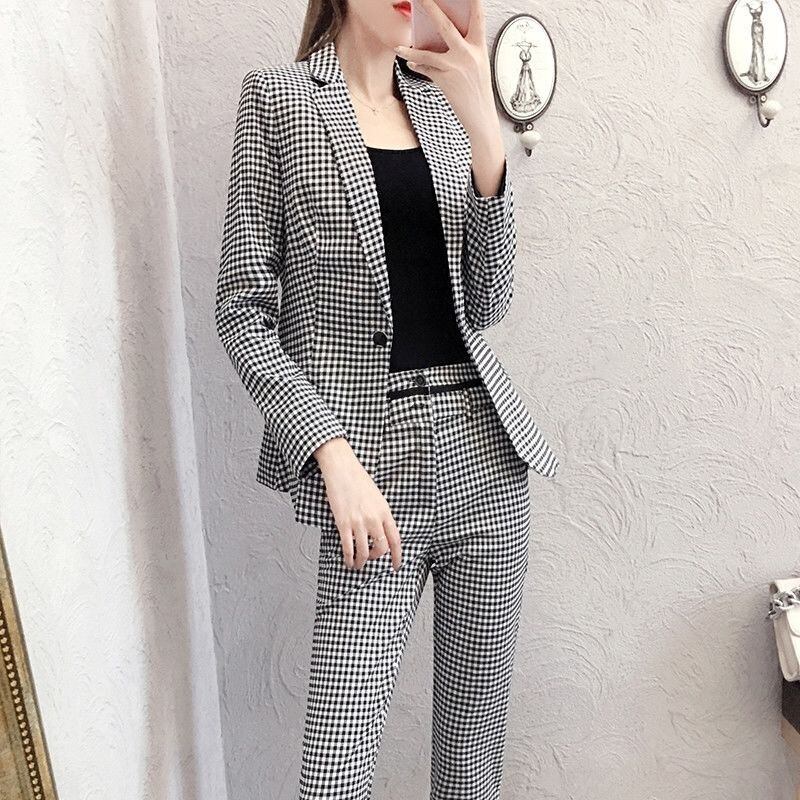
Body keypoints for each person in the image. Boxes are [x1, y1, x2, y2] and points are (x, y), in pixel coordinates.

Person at [215, 0, 559, 796]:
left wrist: (484, 129)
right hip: (371, 472)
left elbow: (488, 300)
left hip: (486, 461)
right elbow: (241, 308)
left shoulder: (439, 108)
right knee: (334, 776)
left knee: (469, 773)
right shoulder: (278, 99)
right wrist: (330, 455)